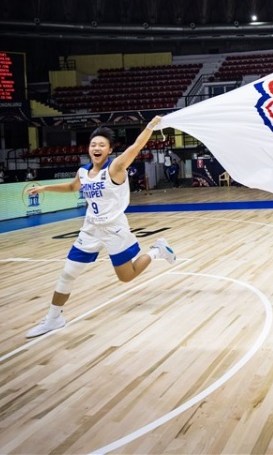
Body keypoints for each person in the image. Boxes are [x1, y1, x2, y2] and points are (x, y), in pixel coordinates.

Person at [24, 116, 177, 338]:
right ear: (89, 148)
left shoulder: (115, 168)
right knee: (68, 273)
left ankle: (157, 250)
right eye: (93, 144)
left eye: (101, 145)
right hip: (90, 229)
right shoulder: (83, 172)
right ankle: (53, 318)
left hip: (114, 229)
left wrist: (150, 127)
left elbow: (136, 147)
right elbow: (72, 187)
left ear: (109, 149)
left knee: (126, 277)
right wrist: (44, 188)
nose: (96, 148)